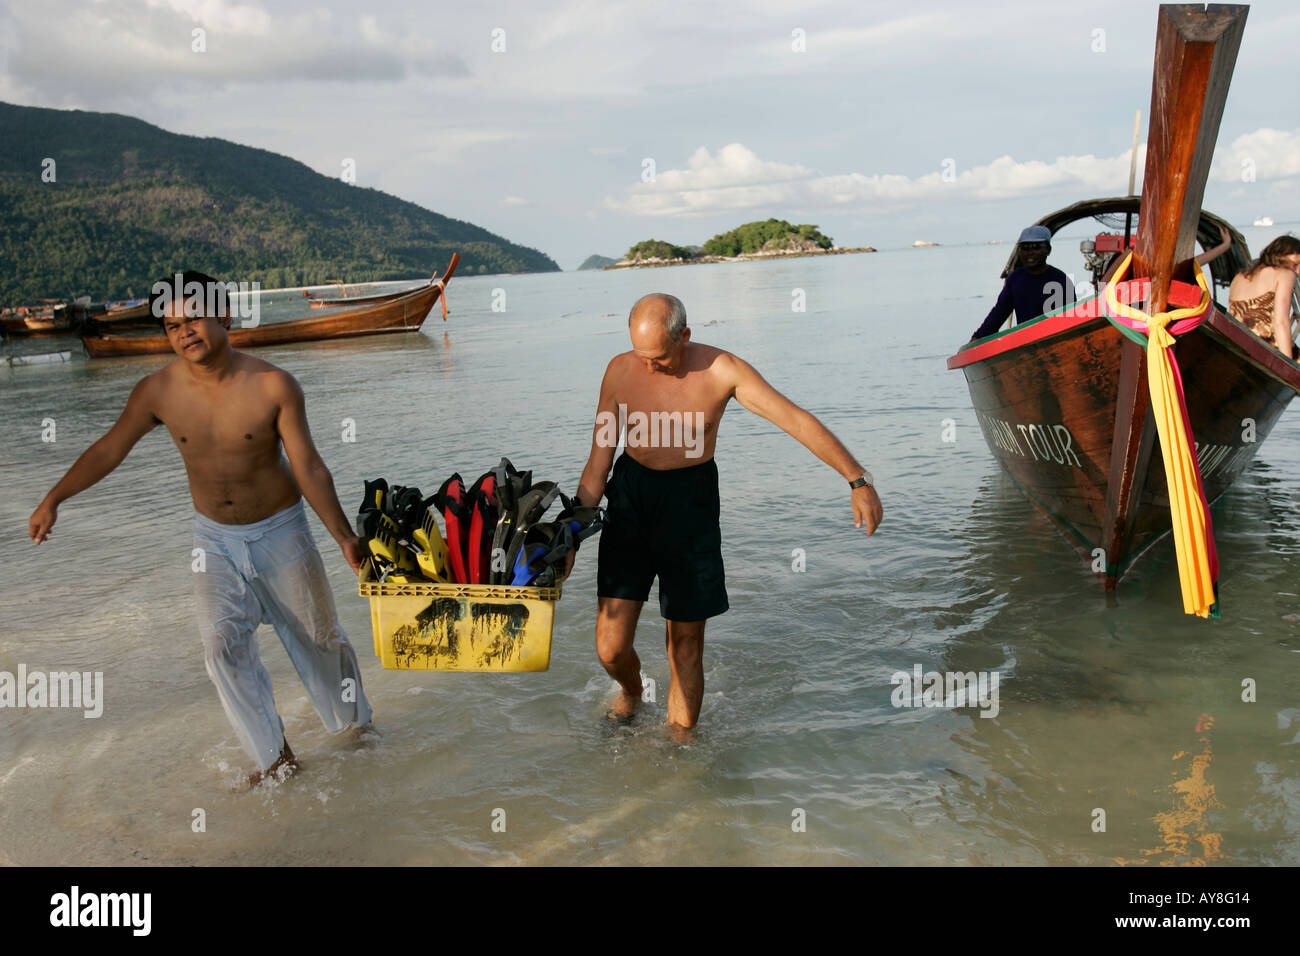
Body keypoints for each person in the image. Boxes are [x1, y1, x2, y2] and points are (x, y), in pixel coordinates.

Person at [28, 271, 373, 787]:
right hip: (213, 538)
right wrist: (55, 497)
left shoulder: (274, 385)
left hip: (282, 531)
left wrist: (344, 536)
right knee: (219, 646)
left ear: (224, 316)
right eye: (171, 326)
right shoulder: (158, 391)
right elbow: (108, 449)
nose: (184, 332)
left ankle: (358, 738)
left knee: (320, 639)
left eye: (193, 317)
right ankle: (275, 761)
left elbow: (309, 467)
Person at [568, 293, 883, 731]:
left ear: (685, 336)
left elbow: (793, 419)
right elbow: (599, 458)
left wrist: (857, 479)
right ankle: (633, 691)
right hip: (631, 498)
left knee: (684, 646)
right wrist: (571, 535)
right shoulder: (621, 370)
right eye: (642, 355)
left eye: (658, 357)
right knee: (610, 646)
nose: (649, 367)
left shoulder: (722, 371)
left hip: (689, 502)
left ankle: (680, 748)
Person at [970, 225, 1076, 340]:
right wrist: (977, 338)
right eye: (1025, 248)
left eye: (1036, 247)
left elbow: (1071, 320)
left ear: (1048, 250)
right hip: (1025, 342)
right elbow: (999, 313)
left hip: (1055, 340)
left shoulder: (1060, 279)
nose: (1030, 252)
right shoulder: (1015, 279)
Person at [1228, 235, 1300, 359]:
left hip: (1239, 346)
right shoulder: (1285, 274)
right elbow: (1281, 322)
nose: (1297, 271)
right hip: (1268, 347)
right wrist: (1288, 365)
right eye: (1296, 264)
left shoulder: (1239, 277)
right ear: (1281, 255)